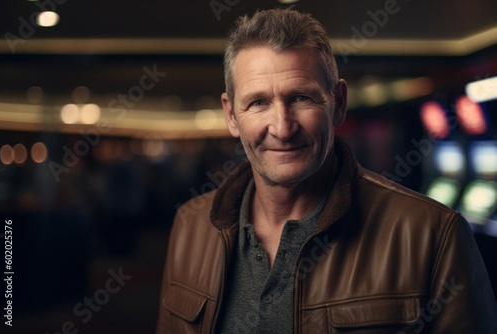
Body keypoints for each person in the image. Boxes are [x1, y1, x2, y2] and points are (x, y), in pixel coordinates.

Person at [156, 8, 497, 334]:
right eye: (258, 102)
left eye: (302, 98)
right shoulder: (190, 225)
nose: (282, 127)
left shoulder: (434, 234)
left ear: (338, 103)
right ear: (231, 115)